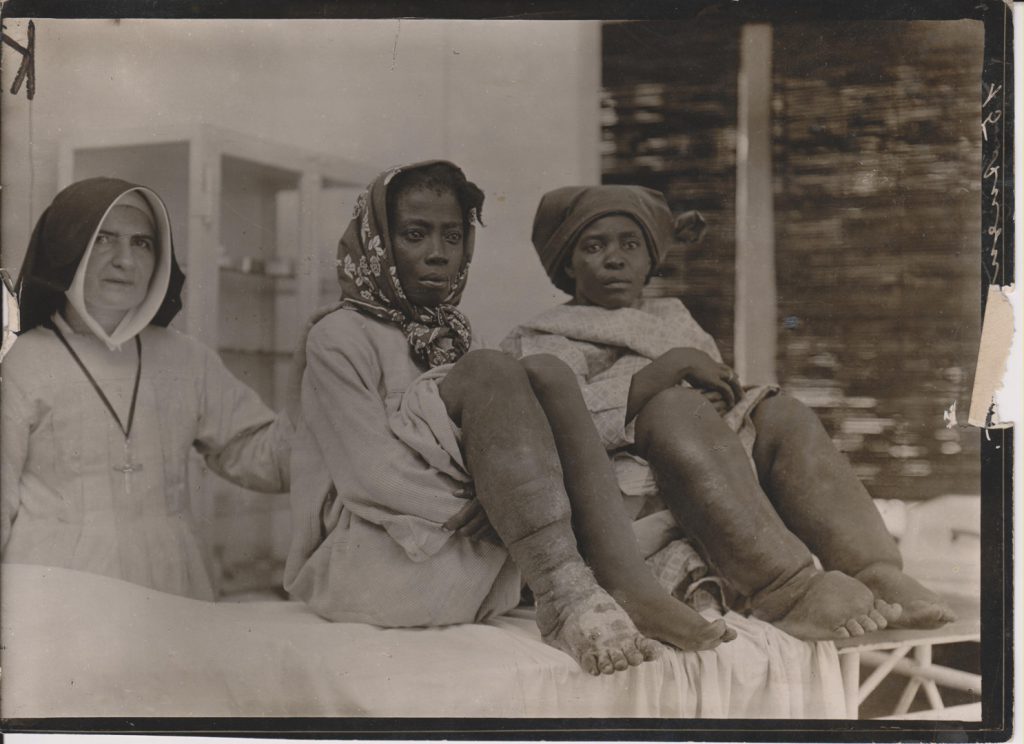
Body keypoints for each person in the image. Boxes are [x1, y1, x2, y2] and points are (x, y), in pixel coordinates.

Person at [284, 161, 737, 677]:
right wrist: (491, 502)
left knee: (546, 372)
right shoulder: (339, 337)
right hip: (380, 563)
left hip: (471, 569)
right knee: (500, 370)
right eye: (414, 234)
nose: (437, 252)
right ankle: (567, 592)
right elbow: (373, 476)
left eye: (452, 236)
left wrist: (504, 497)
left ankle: (622, 584)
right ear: (379, 243)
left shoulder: (454, 335)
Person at [502, 185, 956, 640]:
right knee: (674, 408)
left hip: (712, 478)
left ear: (651, 258)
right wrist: (671, 371)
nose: (614, 258)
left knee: (782, 414)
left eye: (630, 244)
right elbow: (564, 424)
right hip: (622, 500)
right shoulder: (546, 336)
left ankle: (873, 569)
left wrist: (719, 398)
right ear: (567, 263)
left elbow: (716, 395)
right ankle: (787, 590)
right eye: (593, 246)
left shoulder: (670, 319)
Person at [1, 177, 310, 601]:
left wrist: (319, 394)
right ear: (67, 250)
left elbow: (261, 456)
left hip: (170, 575)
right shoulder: (19, 363)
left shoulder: (186, 358)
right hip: (55, 584)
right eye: (104, 239)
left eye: (142, 243)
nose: (125, 260)